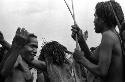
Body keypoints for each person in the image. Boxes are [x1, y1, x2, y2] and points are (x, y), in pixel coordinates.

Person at [71, 1, 124, 82]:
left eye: (95, 16)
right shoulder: (114, 34)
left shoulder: (108, 36)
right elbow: (93, 59)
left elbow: (102, 71)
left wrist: (81, 59)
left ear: (102, 19)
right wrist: (81, 40)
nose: (94, 21)